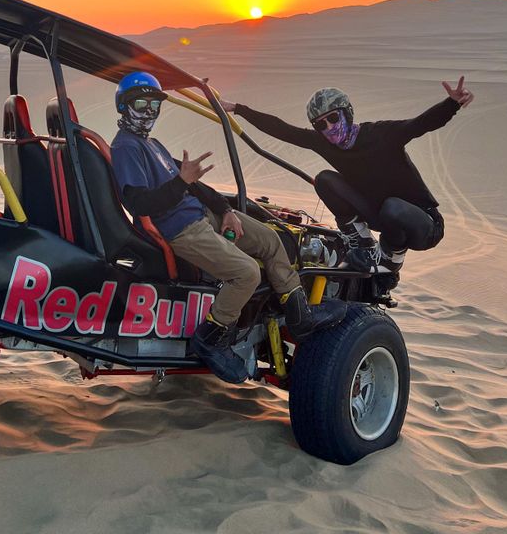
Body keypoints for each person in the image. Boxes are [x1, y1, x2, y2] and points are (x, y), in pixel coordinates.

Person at [110, 72, 346, 384]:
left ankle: (299, 315)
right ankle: (211, 337)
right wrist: (182, 182)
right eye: (142, 104)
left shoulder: (151, 144)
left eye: (155, 105)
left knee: (271, 239)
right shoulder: (126, 147)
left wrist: (225, 210)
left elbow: (194, 187)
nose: (150, 112)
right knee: (246, 273)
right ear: (124, 106)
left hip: (203, 215)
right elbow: (139, 203)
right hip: (181, 230)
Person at [220, 77, 474, 276]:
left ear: (347, 113)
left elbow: (420, 124)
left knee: (393, 207)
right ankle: (361, 242)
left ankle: (391, 260)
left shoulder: (381, 134)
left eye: (333, 118)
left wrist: (451, 104)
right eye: (320, 124)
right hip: (380, 215)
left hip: (422, 224)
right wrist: (238, 109)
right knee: (325, 180)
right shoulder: (323, 142)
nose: (329, 128)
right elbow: (283, 130)